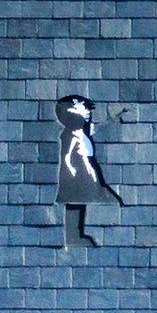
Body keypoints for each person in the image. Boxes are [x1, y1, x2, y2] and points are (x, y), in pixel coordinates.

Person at [54, 95, 122, 246]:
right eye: (81, 108)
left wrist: (111, 120)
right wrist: (71, 170)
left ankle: (75, 237)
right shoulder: (71, 134)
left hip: (85, 171)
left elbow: (95, 129)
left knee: (78, 203)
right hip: (79, 173)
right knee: (76, 203)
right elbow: (67, 155)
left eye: (86, 108)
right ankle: (73, 237)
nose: (86, 111)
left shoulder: (82, 130)